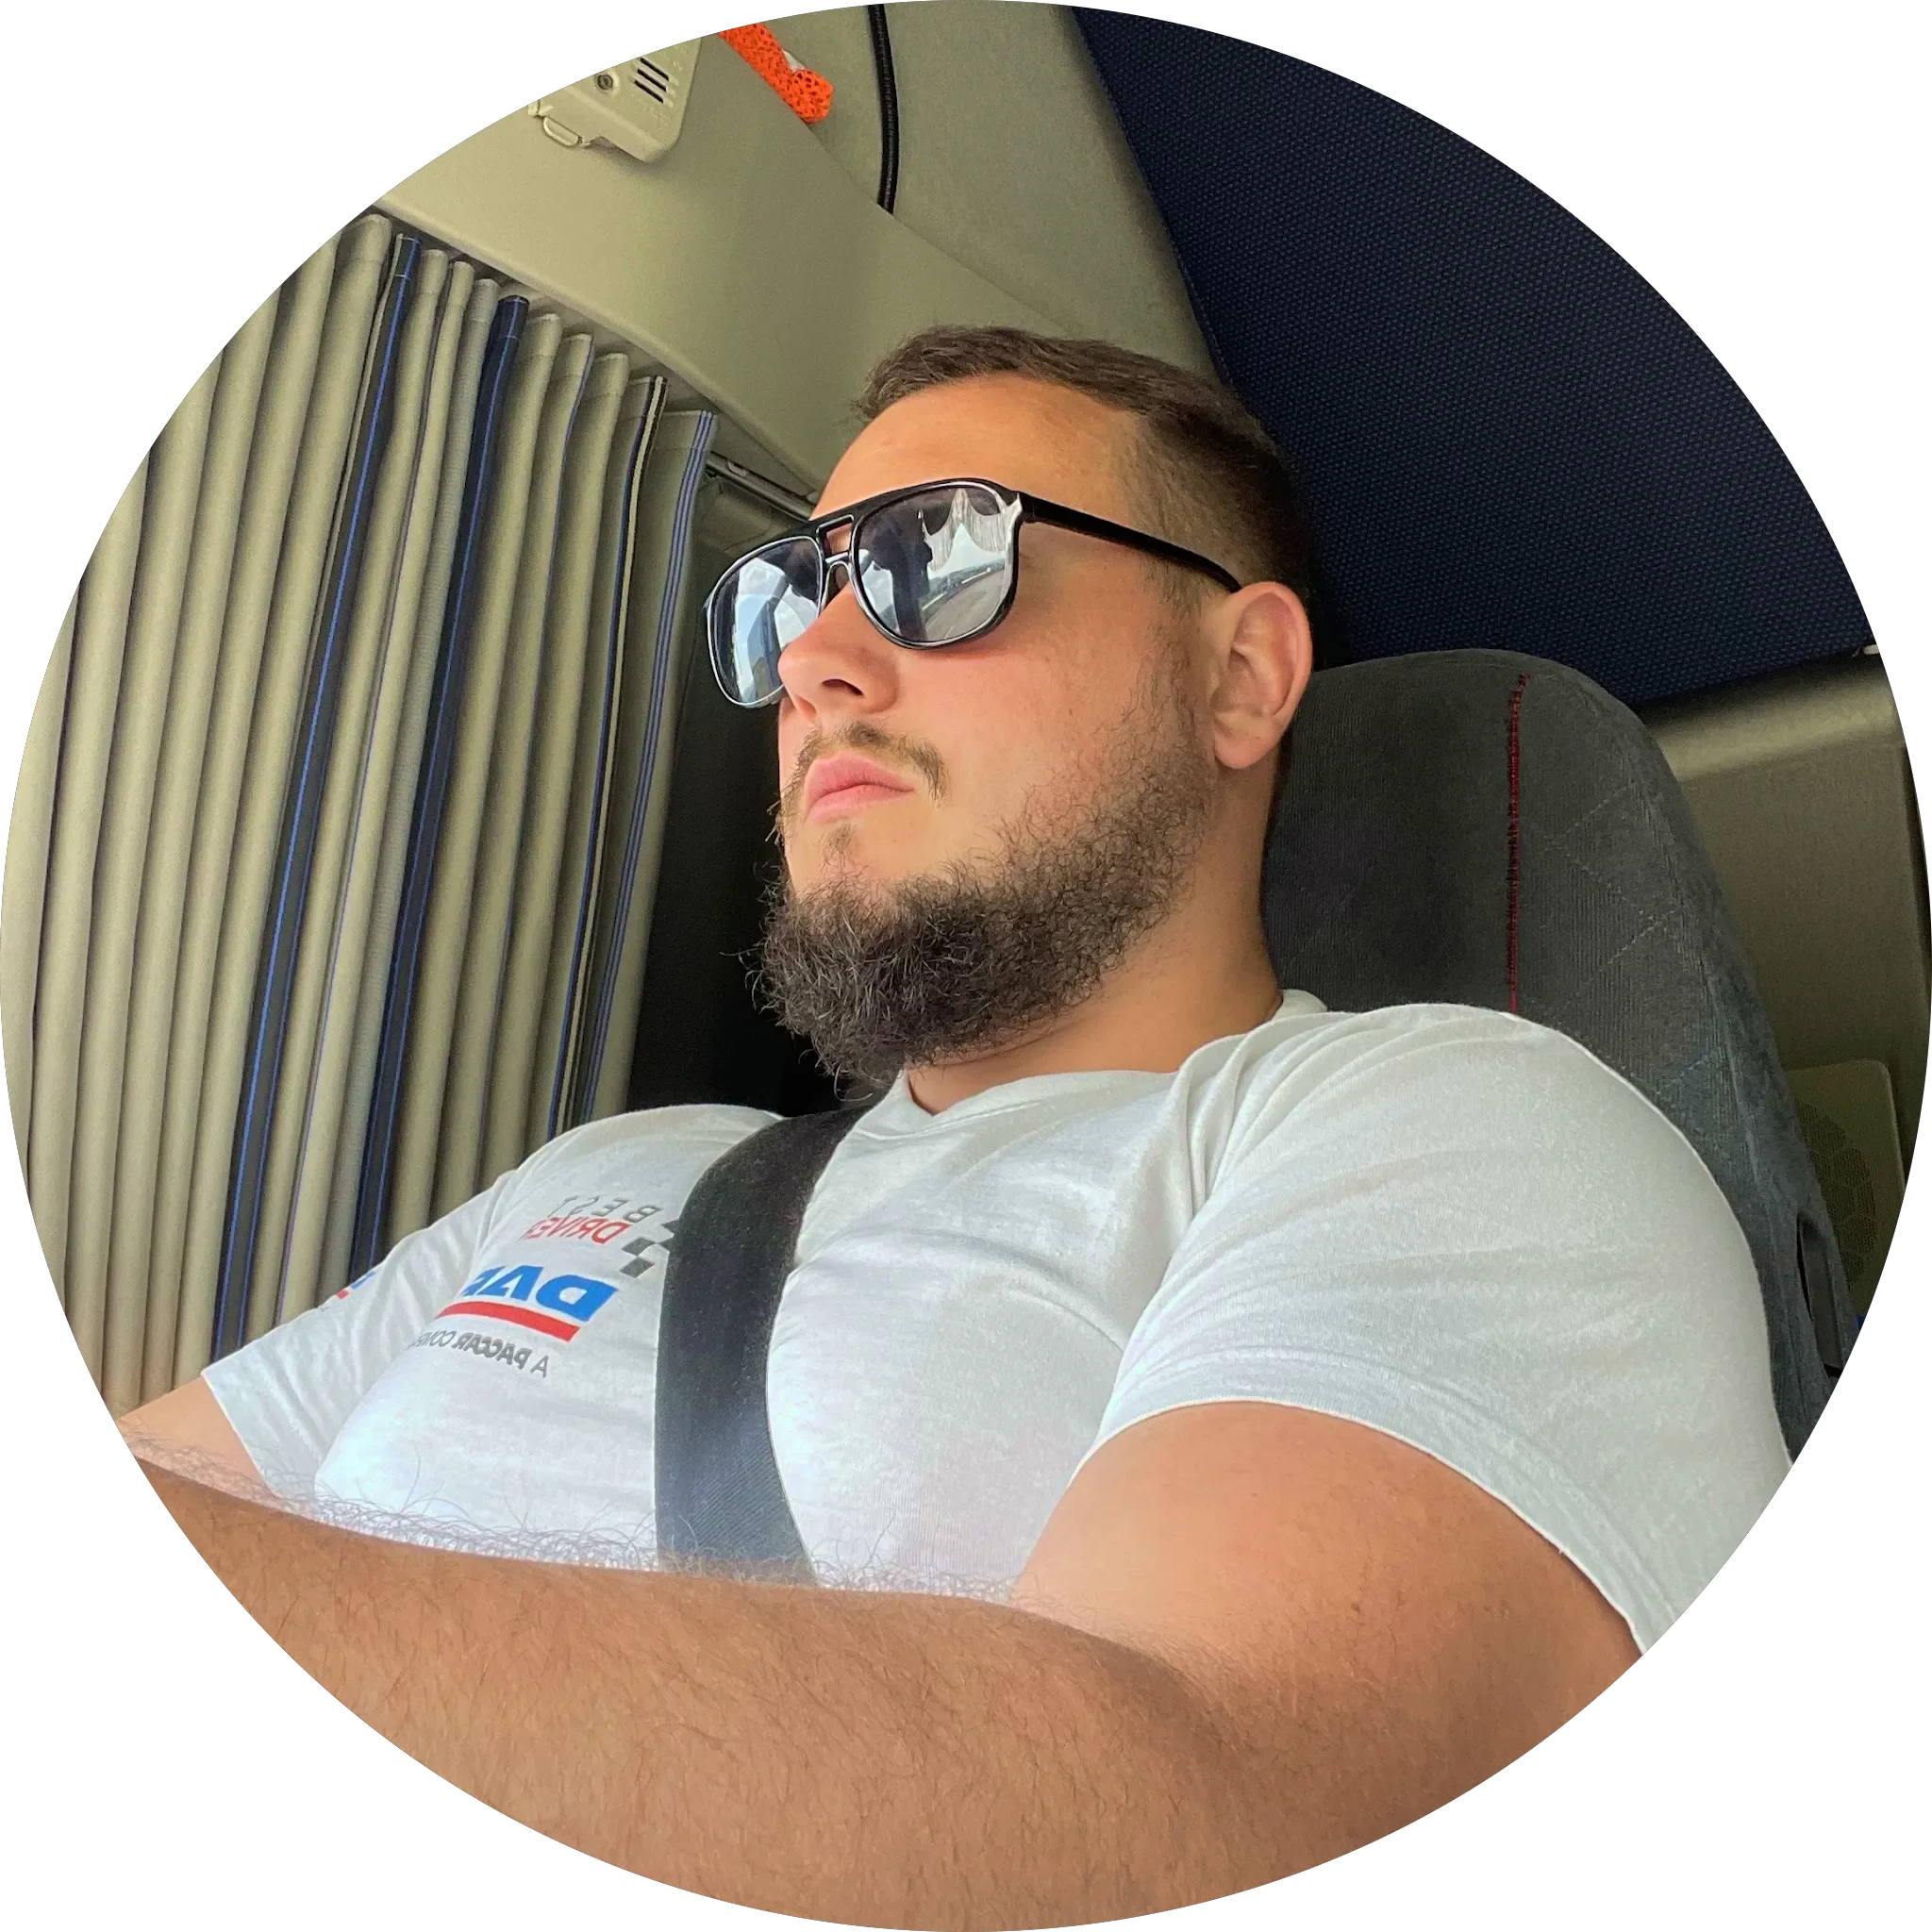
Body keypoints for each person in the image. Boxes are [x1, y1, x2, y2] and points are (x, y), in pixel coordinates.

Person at [118, 325, 1790, 1921]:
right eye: (791, 593)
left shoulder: (1450, 1132)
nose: (812, 664)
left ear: (1238, 676)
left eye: (940, 556)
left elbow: (1197, 1799)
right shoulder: (613, 1168)